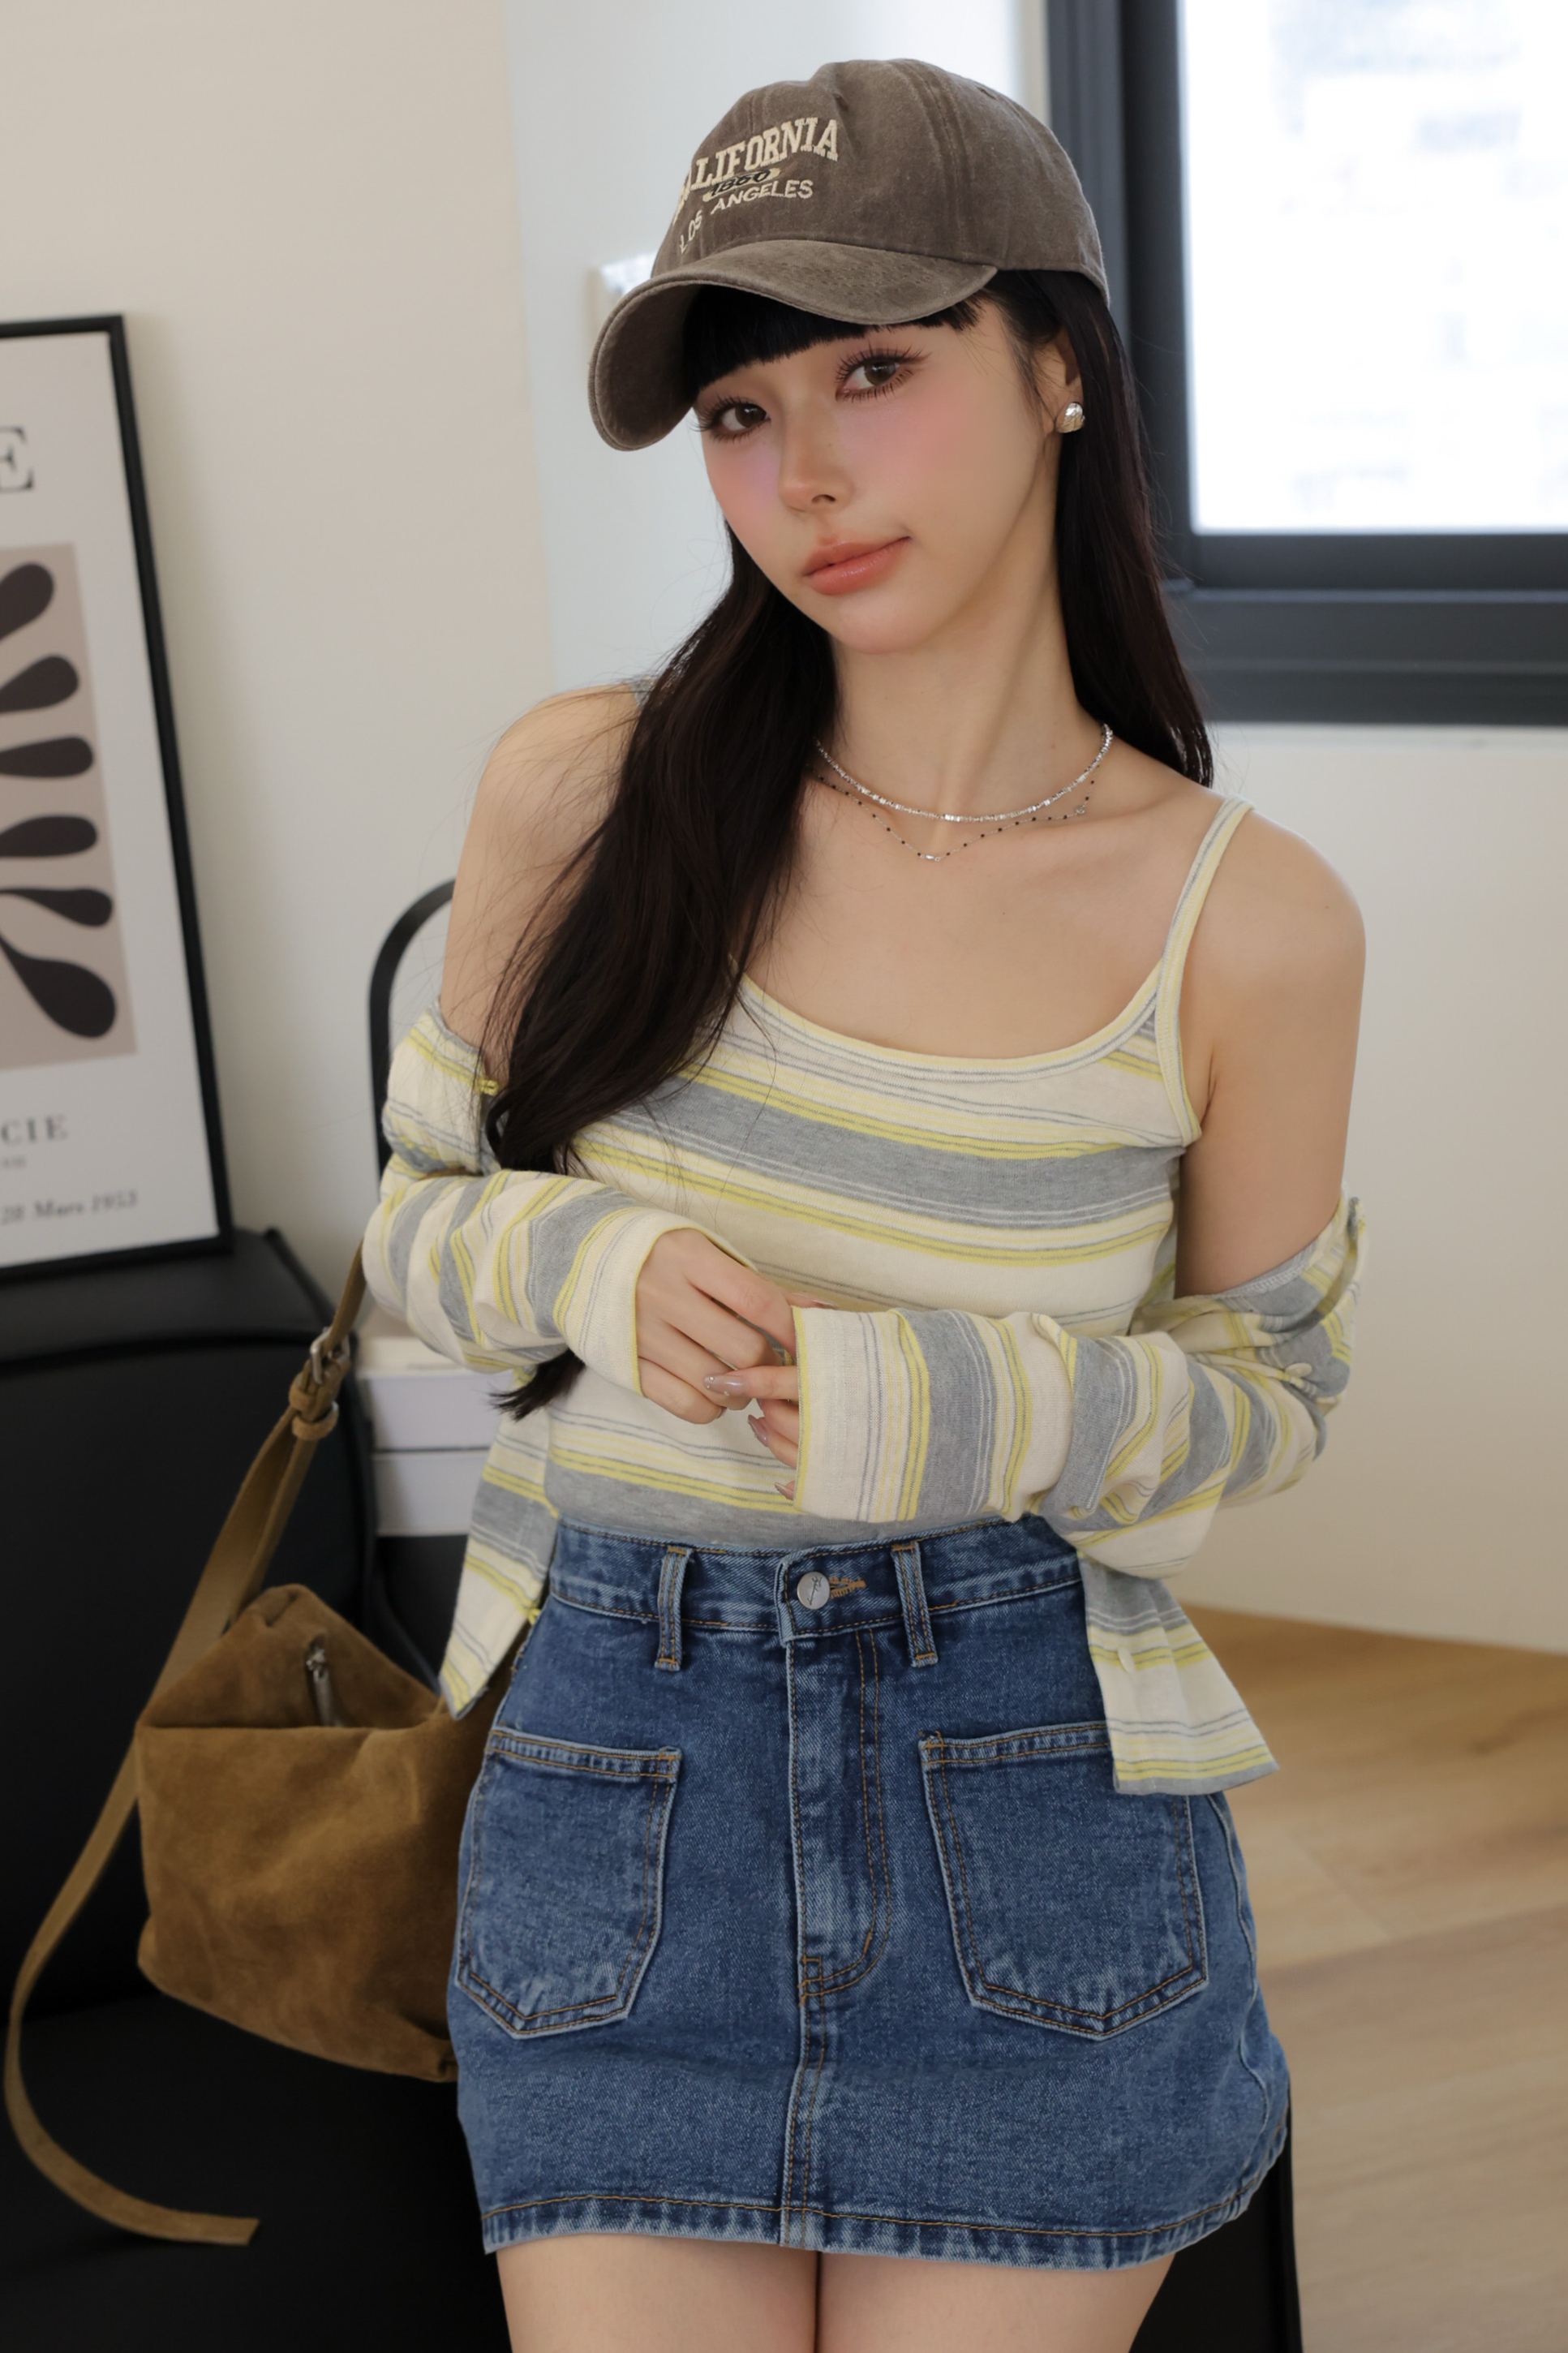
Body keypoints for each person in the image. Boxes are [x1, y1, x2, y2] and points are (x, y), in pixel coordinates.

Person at [363, 58, 1364, 2353]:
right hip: (619, 1786)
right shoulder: (583, 791)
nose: (801, 474)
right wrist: (588, 1260)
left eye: (876, 373)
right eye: (740, 412)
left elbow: (1268, 1404)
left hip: (1034, 1814)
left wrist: (952, 1401)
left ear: (1062, 367)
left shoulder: (1247, 920)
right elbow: (412, 1234)